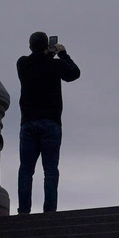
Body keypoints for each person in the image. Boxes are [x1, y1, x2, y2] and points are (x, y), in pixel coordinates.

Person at [16, 31, 80, 214]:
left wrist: (45, 54)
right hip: (51, 123)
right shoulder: (56, 64)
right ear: (47, 46)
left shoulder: (22, 63)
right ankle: (49, 211)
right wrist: (62, 53)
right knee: (50, 170)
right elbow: (75, 73)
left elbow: (37, 62)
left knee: (26, 170)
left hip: (28, 123)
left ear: (30, 46)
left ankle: (23, 211)